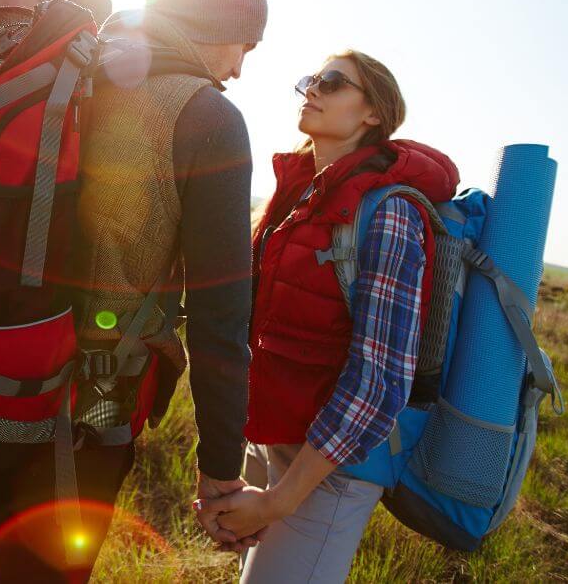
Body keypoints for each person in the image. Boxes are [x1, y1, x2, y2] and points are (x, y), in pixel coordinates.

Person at [0, 0, 268, 582]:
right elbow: (220, 315)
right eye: (247, 42)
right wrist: (219, 468)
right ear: (218, 25)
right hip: (95, 401)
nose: (240, 66)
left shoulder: (69, 77)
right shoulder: (207, 116)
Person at [195, 50, 459, 582]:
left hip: (330, 471)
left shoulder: (389, 212)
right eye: (312, 79)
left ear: (373, 115)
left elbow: (379, 381)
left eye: (333, 82)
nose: (312, 89)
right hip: (272, 438)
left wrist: (278, 502)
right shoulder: (298, 197)